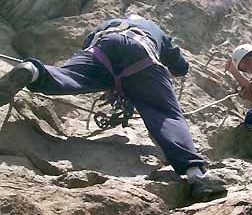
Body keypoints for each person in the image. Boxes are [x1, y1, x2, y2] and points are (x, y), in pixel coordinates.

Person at [0, 14, 227, 201]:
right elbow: (181, 66)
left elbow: (88, 52)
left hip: (102, 47)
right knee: (165, 114)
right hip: (143, 52)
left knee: (69, 75)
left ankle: (33, 71)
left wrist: (113, 83)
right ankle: (196, 175)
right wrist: (158, 79)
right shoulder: (155, 30)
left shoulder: (105, 24)